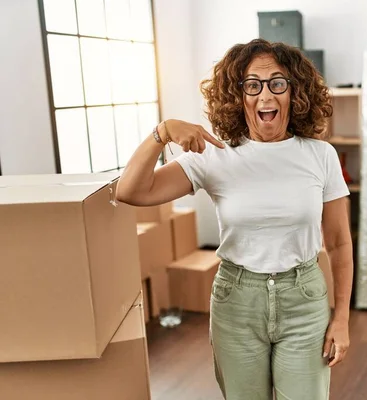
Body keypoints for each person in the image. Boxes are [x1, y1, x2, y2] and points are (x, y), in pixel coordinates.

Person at [116, 38, 353, 400]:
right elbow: (131, 191)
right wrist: (161, 134)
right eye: (252, 85)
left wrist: (342, 318)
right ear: (237, 95)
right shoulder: (215, 156)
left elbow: (338, 242)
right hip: (237, 301)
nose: (265, 96)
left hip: (303, 300)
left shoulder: (321, 156)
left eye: (277, 83)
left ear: (294, 91)